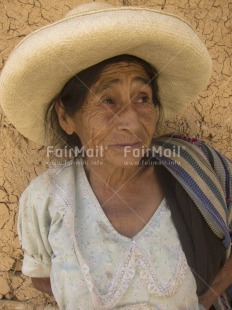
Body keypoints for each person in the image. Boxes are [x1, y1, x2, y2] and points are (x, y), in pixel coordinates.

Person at [0, 2, 231, 310]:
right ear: (66, 117)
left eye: (143, 98)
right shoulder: (44, 200)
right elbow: (40, 276)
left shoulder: (196, 172)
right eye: (108, 100)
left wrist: (206, 298)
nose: (133, 122)